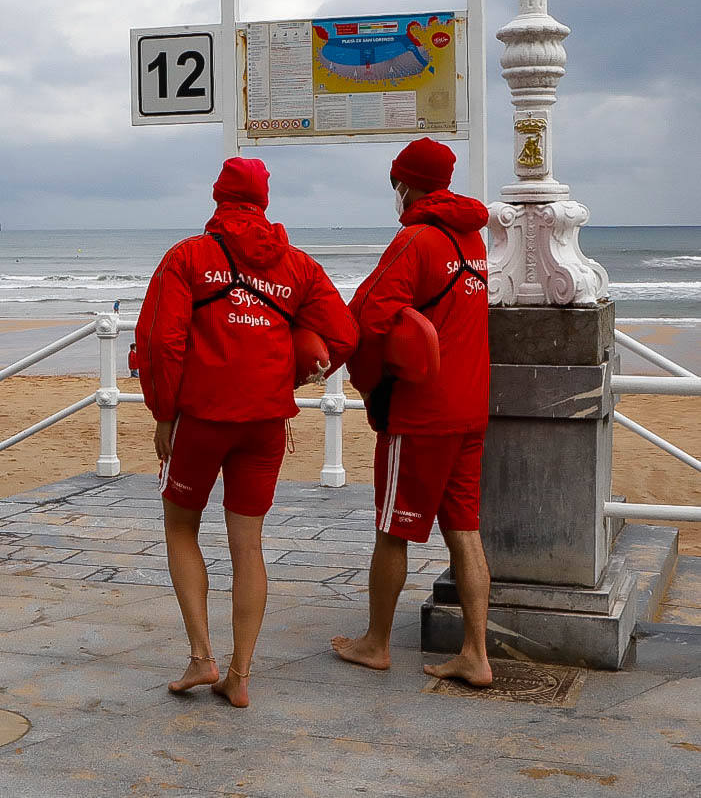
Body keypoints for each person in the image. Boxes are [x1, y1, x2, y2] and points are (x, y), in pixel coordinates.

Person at [136, 156, 358, 707]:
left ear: (218, 197)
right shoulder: (298, 266)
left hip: (202, 420)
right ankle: (240, 675)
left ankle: (200, 658)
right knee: (248, 544)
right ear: (264, 200)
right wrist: (296, 375)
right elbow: (344, 336)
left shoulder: (188, 257)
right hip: (265, 422)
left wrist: (164, 412)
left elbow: (163, 344)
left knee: (181, 527)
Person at [331, 137, 492, 686]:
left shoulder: (416, 239)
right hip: (471, 407)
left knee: (391, 532)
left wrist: (364, 381)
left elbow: (372, 318)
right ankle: (476, 654)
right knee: (465, 533)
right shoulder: (473, 241)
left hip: (423, 414)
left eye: (396, 182)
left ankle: (375, 643)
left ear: (407, 183)